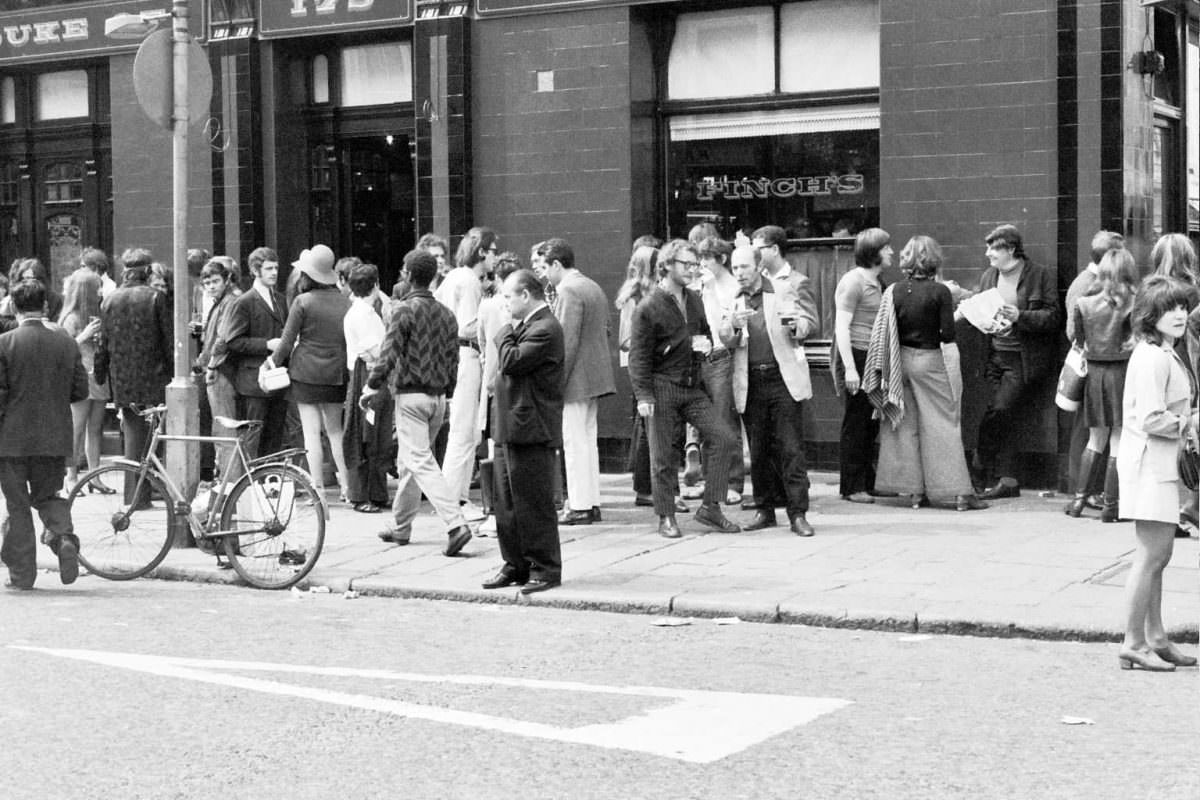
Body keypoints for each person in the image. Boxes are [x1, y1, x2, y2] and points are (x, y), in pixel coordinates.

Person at [866, 236, 987, 512]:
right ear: (934, 261)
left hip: (899, 363)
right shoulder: (940, 292)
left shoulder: (894, 291)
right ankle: (957, 492)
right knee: (943, 425)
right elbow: (947, 334)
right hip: (929, 359)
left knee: (905, 426)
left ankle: (914, 492)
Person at [363, 249, 472, 556]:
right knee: (411, 462)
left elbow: (389, 353)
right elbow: (455, 359)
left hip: (410, 396)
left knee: (421, 462)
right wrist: (447, 392)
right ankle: (400, 527)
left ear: (408, 276)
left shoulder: (403, 311)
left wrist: (372, 384)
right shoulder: (448, 314)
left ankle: (455, 523)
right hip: (438, 398)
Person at [629, 239, 741, 538]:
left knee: (724, 437)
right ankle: (665, 515)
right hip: (662, 385)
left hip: (691, 384)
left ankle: (710, 508)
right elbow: (638, 356)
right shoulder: (648, 306)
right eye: (686, 264)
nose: (693, 270)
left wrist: (703, 346)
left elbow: (702, 331)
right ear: (666, 266)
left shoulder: (693, 299)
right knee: (663, 455)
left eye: (695, 264)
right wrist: (643, 396)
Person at [1115, 275, 1199, 671]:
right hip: (1150, 466)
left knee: (1159, 556)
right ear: (1152, 314)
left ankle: (1157, 638)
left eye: (1183, 306)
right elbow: (1151, 418)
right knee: (1150, 556)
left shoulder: (1163, 351)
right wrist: (1190, 424)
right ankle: (1133, 642)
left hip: (1159, 466)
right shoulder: (1151, 356)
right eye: (1170, 308)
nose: (1180, 314)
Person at [720, 244, 818, 536]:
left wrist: (797, 327)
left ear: (758, 266)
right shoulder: (732, 298)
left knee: (790, 448)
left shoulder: (782, 289)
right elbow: (725, 338)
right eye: (735, 268)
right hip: (750, 381)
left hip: (782, 378)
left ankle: (798, 513)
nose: (739, 274)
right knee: (759, 451)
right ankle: (765, 510)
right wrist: (733, 328)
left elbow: (807, 324)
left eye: (744, 267)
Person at [481, 269, 565, 594]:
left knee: (532, 501)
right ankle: (515, 563)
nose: (505, 303)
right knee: (506, 502)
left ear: (525, 296)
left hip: (531, 427)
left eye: (508, 297)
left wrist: (501, 330)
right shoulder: (526, 327)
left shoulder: (545, 328)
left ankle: (544, 568)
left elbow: (512, 361)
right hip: (510, 425)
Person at [0, 280, 89, 589]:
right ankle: (63, 536)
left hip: (11, 439)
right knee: (48, 496)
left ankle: (23, 575)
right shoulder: (66, 341)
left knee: (18, 506)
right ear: (46, 307)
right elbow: (80, 390)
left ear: (13, 307)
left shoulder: (5, 343)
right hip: (54, 436)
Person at [973, 224, 1060, 499]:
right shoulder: (989, 276)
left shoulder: (1039, 275)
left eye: (993, 249)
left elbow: (1054, 317)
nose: (988, 254)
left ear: (1010, 249)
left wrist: (1019, 316)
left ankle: (982, 470)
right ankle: (1005, 479)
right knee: (1002, 415)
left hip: (1022, 358)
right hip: (995, 355)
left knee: (999, 411)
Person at [271, 244, 353, 505]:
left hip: (305, 373)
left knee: (311, 433)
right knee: (336, 431)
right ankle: (348, 487)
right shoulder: (345, 302)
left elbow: (286, 342)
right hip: (336, 374)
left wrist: (270, 363)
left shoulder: (302, 301)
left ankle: (317, 490)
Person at [545, 238, 615, 525]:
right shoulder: (592, 286)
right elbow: (607, 328)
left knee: (574, 443)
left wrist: (556, 381)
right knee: (588, 441)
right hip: (596, 375)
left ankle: (579, 505)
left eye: (547, 268)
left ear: (557, 264)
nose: (546, 275)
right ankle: (591, 501)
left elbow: (566, 341)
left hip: (575, 378)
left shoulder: (568, 290)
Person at [1065, 248, 1137, 520]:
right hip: (1122, 373)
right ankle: (1111, 507)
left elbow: (1079, 342)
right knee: (1118, 439)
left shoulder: (1084, 303)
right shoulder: (1134, 301)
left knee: (1095, 439)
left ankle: (1077, 501)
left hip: (1094, 375)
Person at [97, 248, 172, 506]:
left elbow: (102, 342)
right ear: (147, 271)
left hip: (122, 379)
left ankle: (134, 494)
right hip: (154, 377)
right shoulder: (156, 298)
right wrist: (175, 373)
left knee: (132, 434)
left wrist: (100, 373)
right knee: (153, 435)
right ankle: (147, 488)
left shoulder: (109, 300)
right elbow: (168, 341)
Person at [435, 226, 498, 521]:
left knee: (464, 430)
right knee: (464, 430)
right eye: (494, 250)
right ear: (482, 251)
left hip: (455, 355)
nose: (496, 257)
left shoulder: (455, 277)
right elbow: (469, 325)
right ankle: (453, 501)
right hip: (466, 354)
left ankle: (454, 498)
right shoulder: (470, 280)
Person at [833, 228, 889, 504]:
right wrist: (850, 368)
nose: (890, 252)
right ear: (874, 252)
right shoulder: (853, 282)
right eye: (886, 248)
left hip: (873, 356)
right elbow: (841, 326)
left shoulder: (877, 282)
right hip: (856, 354)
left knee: (869, 423)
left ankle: (866, 480)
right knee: (856, 422)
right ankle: (852, 486)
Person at [219, 246, 288, 459]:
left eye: (275, 268)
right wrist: (266, 344)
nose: (274, 272)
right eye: (268, 268)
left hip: (277, 378)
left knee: (274, 435)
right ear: (255, 271)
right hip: (252, 381)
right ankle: (251, 482)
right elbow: (233, 341)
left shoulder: (280, 299)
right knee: (253, 437)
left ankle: (268, 482)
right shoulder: (244, 302)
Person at [696, 235, 745, 506]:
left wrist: (710, 290)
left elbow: (726, 327)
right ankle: (711, 480)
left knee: (725, 419)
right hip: (703, 356)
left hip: (724, 356)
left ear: (722, 260)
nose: (701, 264)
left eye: (706, 259)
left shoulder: (733, 287)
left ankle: (733, 481)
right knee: (705, 422)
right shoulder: (703, 286)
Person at [616, 244, 665, 509]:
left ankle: (652, 486)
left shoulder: (658, 293)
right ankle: (646, 488)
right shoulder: (634, 296)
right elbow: (625, 340)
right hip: (646, 368)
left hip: (659, 366)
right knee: (648, 430)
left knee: (654, 429)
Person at [342, 263, 392, 514]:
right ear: (375, 285)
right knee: (367, 437)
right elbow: (375, 352)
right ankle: (362, 494)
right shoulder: (363, 315)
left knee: (375, 437)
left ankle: (375, 492)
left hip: (370, 374)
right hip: (368, 376)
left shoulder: (364, 312)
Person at [58, 269, 113, 493]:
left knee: (96, 428)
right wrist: (84, 335)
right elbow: (64, 348)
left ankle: (94, 475)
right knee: (76, 428)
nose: (100, 291)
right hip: (79, 376)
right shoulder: (70, 318)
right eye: (96, 287)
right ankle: (71, 477)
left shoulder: (99, 313)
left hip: (98, 374)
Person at [195, 259, 241, 479]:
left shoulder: (229, 302)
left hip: (221, 371)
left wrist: (211, 363)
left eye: (215, 281)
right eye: (207, 283)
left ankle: (229, 485)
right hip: (216, 368)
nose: (211, 286)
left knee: (224, 431)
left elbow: (222, 338)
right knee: (222, 430)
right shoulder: (221, 301)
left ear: (226, 280)